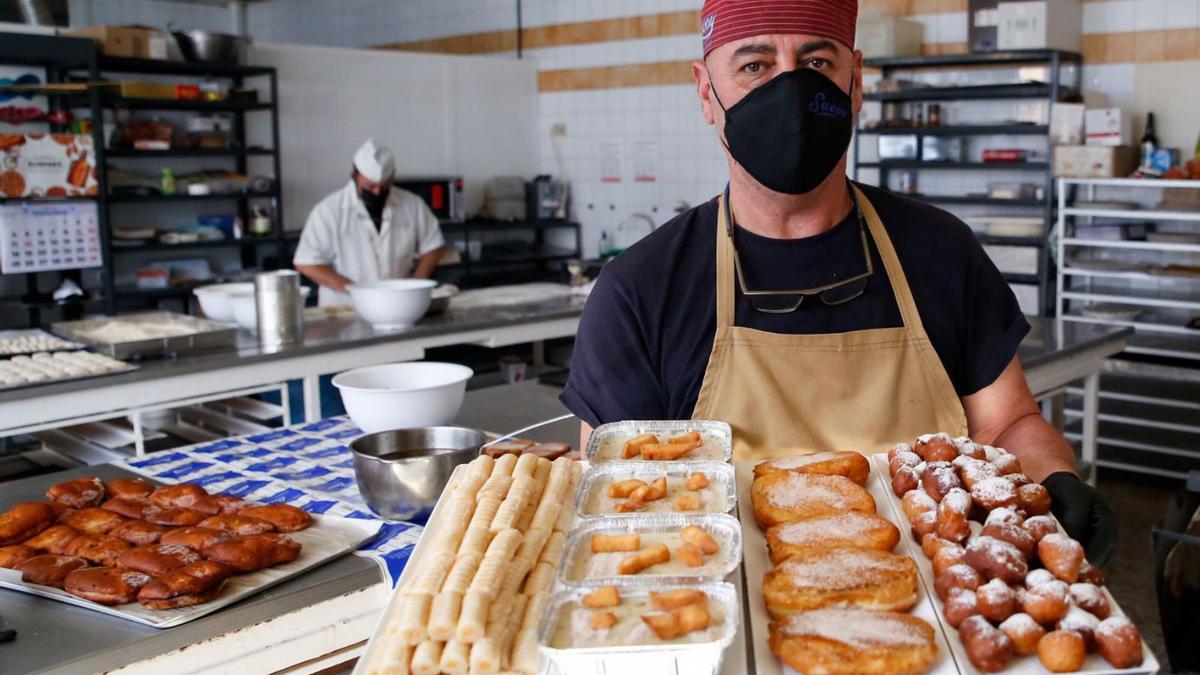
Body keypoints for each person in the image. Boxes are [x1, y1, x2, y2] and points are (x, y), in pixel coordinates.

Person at [560, 0, 1117, 565]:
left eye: (817, 63)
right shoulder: (640, 289)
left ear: (855, 85)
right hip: (729, 616)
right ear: (706, 91)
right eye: (755, 66)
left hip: (936, 603)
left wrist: (1055, 479)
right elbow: (620, 499)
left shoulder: (941, 252)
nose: (791, 92)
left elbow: (1008, 424)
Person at [294, 138, 446, 306]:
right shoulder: (328, 211)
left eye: (384, 187)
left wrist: (416, 283)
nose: (377, 193)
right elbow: (307, 263)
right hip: (345, 308)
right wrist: (356, 291)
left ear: (393, 177)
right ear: (355, 175)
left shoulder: (412, 205)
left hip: (398, 305)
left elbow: (433, 245)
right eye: (370, 187)